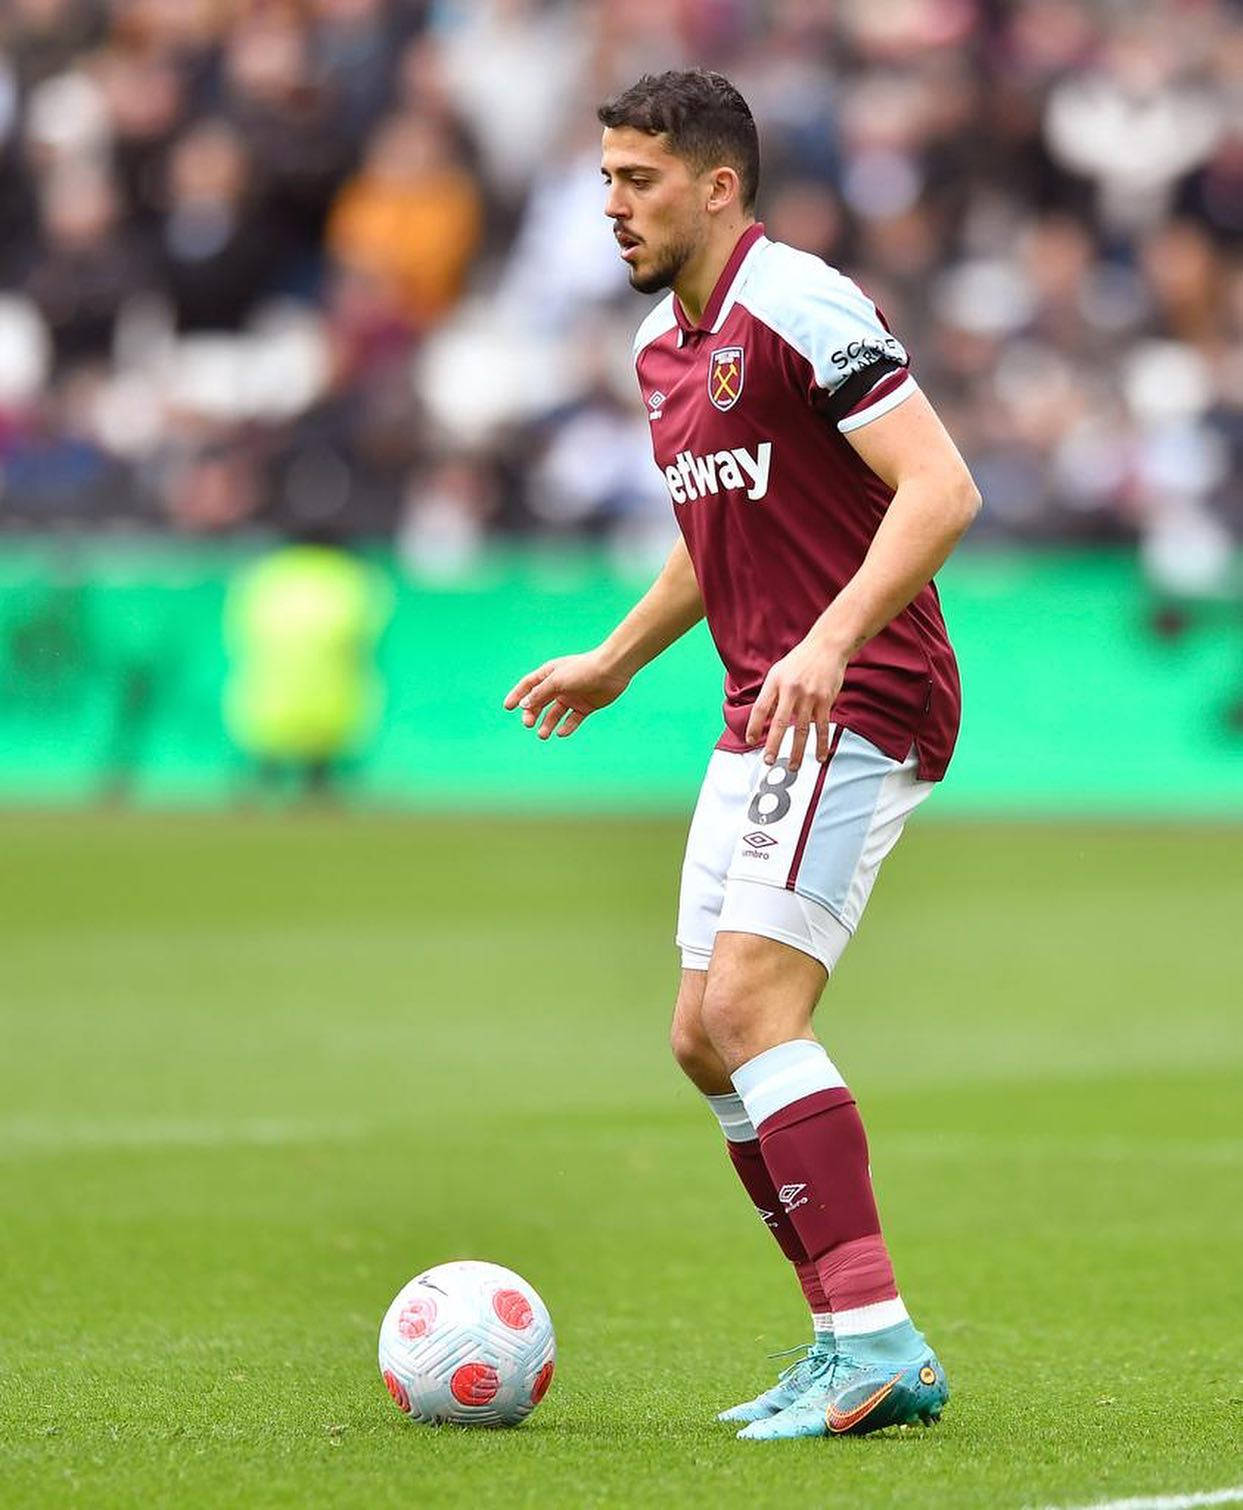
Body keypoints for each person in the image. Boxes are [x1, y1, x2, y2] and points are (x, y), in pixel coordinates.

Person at [504, 69, 980, 1441]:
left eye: (637, 180)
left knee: (756, 1009)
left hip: (860, 688)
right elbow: (720, 526)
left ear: (717, 186)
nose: (611, 205)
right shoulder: (664, 348)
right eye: (603, 179)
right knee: (703, 1040)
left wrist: (831, 640)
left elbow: (941, 485)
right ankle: (845, 1335)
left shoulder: (800, 302)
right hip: (763, 707)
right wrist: (616, 655)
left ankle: (876, 1332)